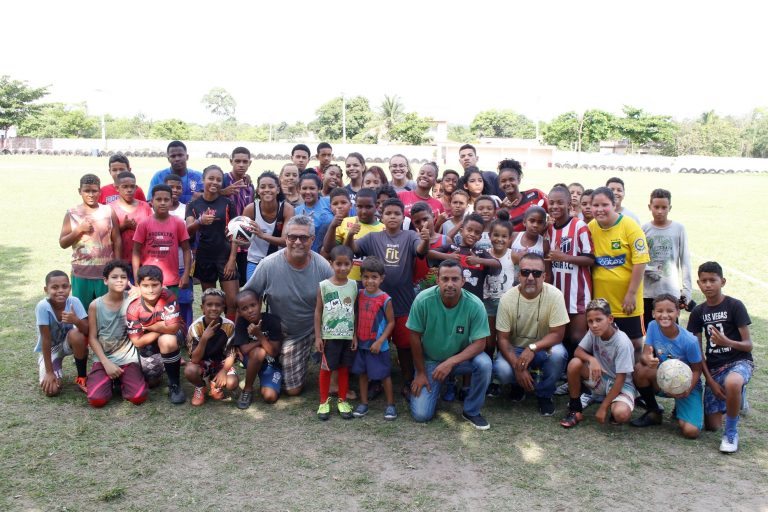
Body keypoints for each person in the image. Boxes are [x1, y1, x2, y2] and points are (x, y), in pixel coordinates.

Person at [345, 198, 430, 398]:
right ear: (381, 216)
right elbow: (352, 249)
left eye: (397, 214)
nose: (392, 217)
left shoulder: (410, 236)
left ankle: (408, 378)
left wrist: (425, 239)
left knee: (404, 345)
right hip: (375, 304)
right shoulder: (373, 238)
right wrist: (350, 235)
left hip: (403, 302)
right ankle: (375, 381)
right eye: (388, 213)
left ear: (403, 217)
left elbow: (421, 251)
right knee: (375, 342)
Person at [243, 215, 334, 396]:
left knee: (292, 390)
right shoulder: (268, 265)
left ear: (312, 240)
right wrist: (241, 335)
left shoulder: (323, 267)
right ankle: (276, 358)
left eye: (304, 238)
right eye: (292, 237)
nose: (297, 242)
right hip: (278, 331)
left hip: (307, 332)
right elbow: (246, 297)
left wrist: (325, 337)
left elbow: (334, 304)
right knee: (287, 386)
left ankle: (300, 355)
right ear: (286, 238)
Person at [408, 260, 493, 429]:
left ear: (463, 281)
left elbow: (480, 344)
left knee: (484, 364)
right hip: (431, 361)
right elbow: (414, 337)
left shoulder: (475, 305)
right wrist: (421, 373)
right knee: (421, 415)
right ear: (437, 280)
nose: (450, 284)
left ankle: (471, 411)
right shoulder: (423, 300)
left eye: (455, 279)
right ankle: (435, 386)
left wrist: (450, 362)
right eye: (445, 279)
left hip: (460, 361)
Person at [687, 261, 754, 453]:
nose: (708, 285)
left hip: (739, 361)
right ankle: (736, 396)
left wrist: (728, 342)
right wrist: (710, 381)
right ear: (698, 284)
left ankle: (731, 433)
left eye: (712, 280)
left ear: (722, 282)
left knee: (733, 382)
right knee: (712, 426)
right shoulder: (698, 312)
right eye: (703, 281)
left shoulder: (734, 305)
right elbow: (697, 350)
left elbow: (748, 344)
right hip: (714, 368)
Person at [493, 253, 569, 416]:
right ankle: (518, 385)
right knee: (502, 369)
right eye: (525, 272)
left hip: (543, 347)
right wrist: (518, 367)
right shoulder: (507, 298)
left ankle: (544, 394)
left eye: (536, 273)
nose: (530, 277)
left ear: (544, 276)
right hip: (516, 349)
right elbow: (503, 339)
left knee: (558, 354)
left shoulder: (555, 295)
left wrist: (533, 348)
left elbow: (557, 335)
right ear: (518, 274)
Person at [630, 294, 703, 438]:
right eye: (659, 311)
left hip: (686, 385)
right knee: (640, 369)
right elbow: (645, 355)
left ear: (678, 313)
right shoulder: (652, 326)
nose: (664, 315)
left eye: (669, 311)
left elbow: (697, 369)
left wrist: (687, 389)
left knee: (691, 431)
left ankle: (682, 408)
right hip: (665, 379)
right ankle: (653, 412)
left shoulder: (690, 341)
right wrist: (648, 359)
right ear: (653, 313)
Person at [588, 186, 650, 354]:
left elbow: (641, 261)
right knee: (605, 345)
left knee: (635, 344)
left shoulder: (630, 226)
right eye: (595, 205)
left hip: (626, 301)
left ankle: (633, 379)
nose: (600, 209)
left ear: (614, 205)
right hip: (602, 302)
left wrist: (631, 294)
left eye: (605, 205)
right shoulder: (591, 227)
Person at [560, 299, 636, 428]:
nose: (594, 325)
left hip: (621, 385)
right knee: (575, 364)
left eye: (599, 320)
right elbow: (578, 351)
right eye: (590, 321)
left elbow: (620, 380)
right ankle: (575, 409)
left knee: (621, 415)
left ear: (610, 319)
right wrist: (592, 359)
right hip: (601, 378)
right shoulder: (593, 332)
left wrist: (603, 408)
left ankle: (609, 402)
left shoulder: (621, 342)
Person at [85, 260, 147, 407]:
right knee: (96, 400)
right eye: (114, 277)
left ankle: (121, 380)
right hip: (104, 359)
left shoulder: (133, 300)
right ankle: (108, 379)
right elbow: (92, 338)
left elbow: (156, 291)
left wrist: (141, 291)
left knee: (138, 397)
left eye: (123, 277)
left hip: (128, 358)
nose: (119, 280)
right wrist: (106, 363)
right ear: (105, 280)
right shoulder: (95, 305)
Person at [59, 173, 121, 309]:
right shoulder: (72, 213)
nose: (91, 194)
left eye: (94, 191)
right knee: (82, 313)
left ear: (100, 191)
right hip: (81, 273)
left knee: (105, 312)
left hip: (105, 273)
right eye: (87, 190)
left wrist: (117, 265)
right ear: (79, 191)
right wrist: (79, 229)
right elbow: (63, 243)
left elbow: (117, 240)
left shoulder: (108, 211)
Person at [126, 265, 186, 404]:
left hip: (172, 335)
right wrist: (161, 326)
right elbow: (137, 342)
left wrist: (148, 326)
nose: (151, 290)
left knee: (167, 340)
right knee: (152, 381)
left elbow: (173, 328)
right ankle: (168, 362)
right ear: (138, 286)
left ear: (162, 284)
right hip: (147, 341)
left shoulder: (168, 296)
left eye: (155, 285)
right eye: (146, 285)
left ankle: (174, 384)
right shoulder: (133, 307)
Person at [547, 184, 594, 361]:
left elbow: (590, 259)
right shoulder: (551, 229)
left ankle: (584, 377)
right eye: (551, 203)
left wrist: (564, 257)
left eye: (560, 202)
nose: (554, 206)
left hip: (578, 293)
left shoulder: (579, 226)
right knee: (563, 336)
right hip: (558, 293)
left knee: (578, 338)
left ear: (570, 205)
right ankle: (567, 375)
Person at [185, 165, 239, 320]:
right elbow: (188, 230)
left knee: (232, 301)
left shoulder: (228, 203)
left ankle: (230, 335)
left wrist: (232, 259)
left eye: (218, 180)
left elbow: (235, 233)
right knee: (211, 301)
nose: (214, 182)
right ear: (203, 180)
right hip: (205, 257)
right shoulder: (193, 206)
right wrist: (199, 221)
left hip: (226, 257)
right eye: (211, 178)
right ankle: (213, 333)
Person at [314, 246, 358, 420]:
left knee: (344, 369)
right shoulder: (324, 286)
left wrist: (354, 334)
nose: (342, 268)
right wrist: (318, 336)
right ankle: (323, 402)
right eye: (338, 264)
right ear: (331, 264)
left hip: (347, 336)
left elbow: (354, 310)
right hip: (329, 337)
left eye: (346, 264)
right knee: (326, 369)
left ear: (352, 265)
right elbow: (318, 311)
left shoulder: (354, 285)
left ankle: (342, 399)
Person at [351, 257, 397, 420]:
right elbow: (355, 317)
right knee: (362, 374)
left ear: (381, 278)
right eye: (366, 277)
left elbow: (391, 322)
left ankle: (390, 405)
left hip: (378, 346)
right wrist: (354, 337)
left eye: (374, 277)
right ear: (361, 277)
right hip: (361, 343)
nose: (370, 281)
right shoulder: (359, 294)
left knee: (384, 375)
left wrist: (380, 341)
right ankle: (363, 403)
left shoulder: (385, 299)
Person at [642, 188, 692, 328]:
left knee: (670, 330)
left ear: (669, 208)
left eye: (664, 207)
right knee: (650, 329)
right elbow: (637, 259)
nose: (660, 211)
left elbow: (685, 260)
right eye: (656, 207)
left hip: (670, 291)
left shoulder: (678, 229)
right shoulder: (644, 229)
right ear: (649, 207)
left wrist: (687, 290)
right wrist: (649, 269)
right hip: (648, 292)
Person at [35, 270, 89, 396]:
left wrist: (76, 320)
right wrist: (49, 372)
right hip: (51, 348)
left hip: (68, 342)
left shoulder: (74, 301)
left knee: (77, 334)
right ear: (46, 289)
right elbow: (46, 340)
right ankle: (53, 365)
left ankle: (82, 377)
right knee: (52, 391)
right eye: (54, 287)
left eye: (64, 286)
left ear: (70, 288)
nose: (60, 290)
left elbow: (87, 330)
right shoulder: (43, 307)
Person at [133, 184, 191, 295]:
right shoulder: (144, 224)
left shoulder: (178, 223)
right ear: (151, 202)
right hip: (148, 280)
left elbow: (186, 249)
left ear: (171, 202)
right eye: (158, 199)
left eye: (166, 199)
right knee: (150, 311)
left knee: (170, 310)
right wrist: (137, 277)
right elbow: (136, 251)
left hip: (172, 280)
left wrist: (186, 274)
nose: (163, 202)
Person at [185, 288, 238, 406]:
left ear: (223, 307)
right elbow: (194, 359)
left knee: (232, 383)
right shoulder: (195, 327)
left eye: (218, 305)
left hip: (221, 362)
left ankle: (215, 383)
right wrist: (204, 339)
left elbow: (232, 353)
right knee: (190, 370)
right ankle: (200, 387)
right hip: (201, 361)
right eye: (209, 304)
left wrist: (224, 371)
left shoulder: (229, 326)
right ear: (202, 308)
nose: (214, 308)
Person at [232, 289, 283, 409]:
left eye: (253, 305)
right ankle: (247, 389)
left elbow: (274, 352)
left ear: (260, 303)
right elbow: (244, 349)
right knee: (258, 352)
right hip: (251, 359)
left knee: (270, 397)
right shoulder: (241, 322)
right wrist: (262, 340)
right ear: (239, 311)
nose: (250, 310)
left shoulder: (272, 321)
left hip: (271, 363)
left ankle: (268, 379)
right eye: (244, 308)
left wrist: (259, 334)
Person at [242, 171, 294, 281]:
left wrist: (262, 235)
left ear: (278, 190)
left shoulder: (287, 209)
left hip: (280, 260)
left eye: (271, 186)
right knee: (252, 296)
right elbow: (242, 240)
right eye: (262, 187)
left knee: (277, 297)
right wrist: (240, 242)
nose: (267, 190)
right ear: (258, 190)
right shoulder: (250, 209)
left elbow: (286, 241)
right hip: (255, 261)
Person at [324, 188, 383, 282]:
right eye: (359, 206)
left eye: (368, 207)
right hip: (347, 279)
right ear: (355, 206)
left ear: (376, 206)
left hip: (371, 282)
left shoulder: (383, 229)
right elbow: (328, 249)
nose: (363, 211)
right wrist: (332, 227)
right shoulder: (346, 222)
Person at [221, 147, 255, 285]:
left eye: (244, 161)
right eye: (237, 161)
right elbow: (202, 196)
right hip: (225, 240)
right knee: (227, 280)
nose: (241, 164)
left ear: (249, 163)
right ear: (231, 161)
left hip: (244, 241)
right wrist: (223, 192)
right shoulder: (223, 179)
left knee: (243, 282)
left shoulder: (249, 185)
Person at [165, 174, 194, 328]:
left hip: (182, 265)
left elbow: (187, 243)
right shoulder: (154, 211)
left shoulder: (186, 209)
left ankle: (187, 332)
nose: (175, 190)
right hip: (162, 267)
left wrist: (186, 273)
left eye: (178, 187)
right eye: (171, 187)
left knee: (185, 301)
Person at [110, 171, 152, 270]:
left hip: (143, 260)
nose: (129, 190)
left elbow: (152, 231)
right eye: (125, 187)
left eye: (132, 187)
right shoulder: (111, 208)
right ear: (117, 188)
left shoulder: (145, 206)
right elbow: (106, 236)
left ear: (136, 188)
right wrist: (123, 227)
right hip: (120, 260)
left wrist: (138, 229)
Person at [497, 159, 548, 232]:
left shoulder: (536, 195)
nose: (507, 183)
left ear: (519, 180)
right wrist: (503, 215)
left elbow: (554, 211)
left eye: (511, 179)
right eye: (503, 181)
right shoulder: (500, 210)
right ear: (499, 184)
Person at [294, 173, 333, 253]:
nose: (308, 192)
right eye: (304, 188)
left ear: (319, 189)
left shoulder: (329, 202)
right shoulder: (296, 211)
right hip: (307, 255)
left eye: (312, 188)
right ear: (299, 190)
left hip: (330, 253)